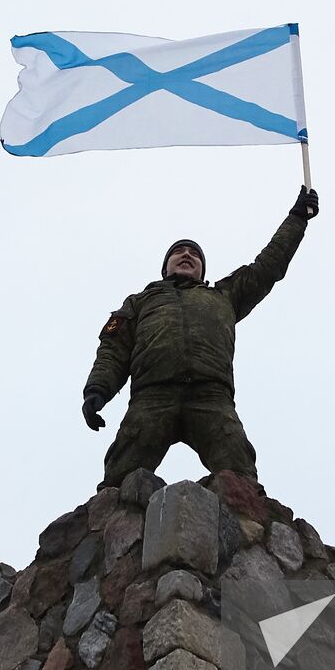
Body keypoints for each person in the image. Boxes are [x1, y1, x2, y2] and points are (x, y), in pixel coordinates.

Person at [82, 185, 320, 489]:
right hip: (152, 396)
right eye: (179, 252)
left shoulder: (224, 296)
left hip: (211, 397)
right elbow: (113, 350)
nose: (187, 255)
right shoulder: (139, 302)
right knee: (120, 480)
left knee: (240, 474)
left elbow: (267, 266)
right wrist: (97, 390)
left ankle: (246, 515)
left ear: (202, 269)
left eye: (194, 254)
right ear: (165, 267)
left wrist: (297, 218)